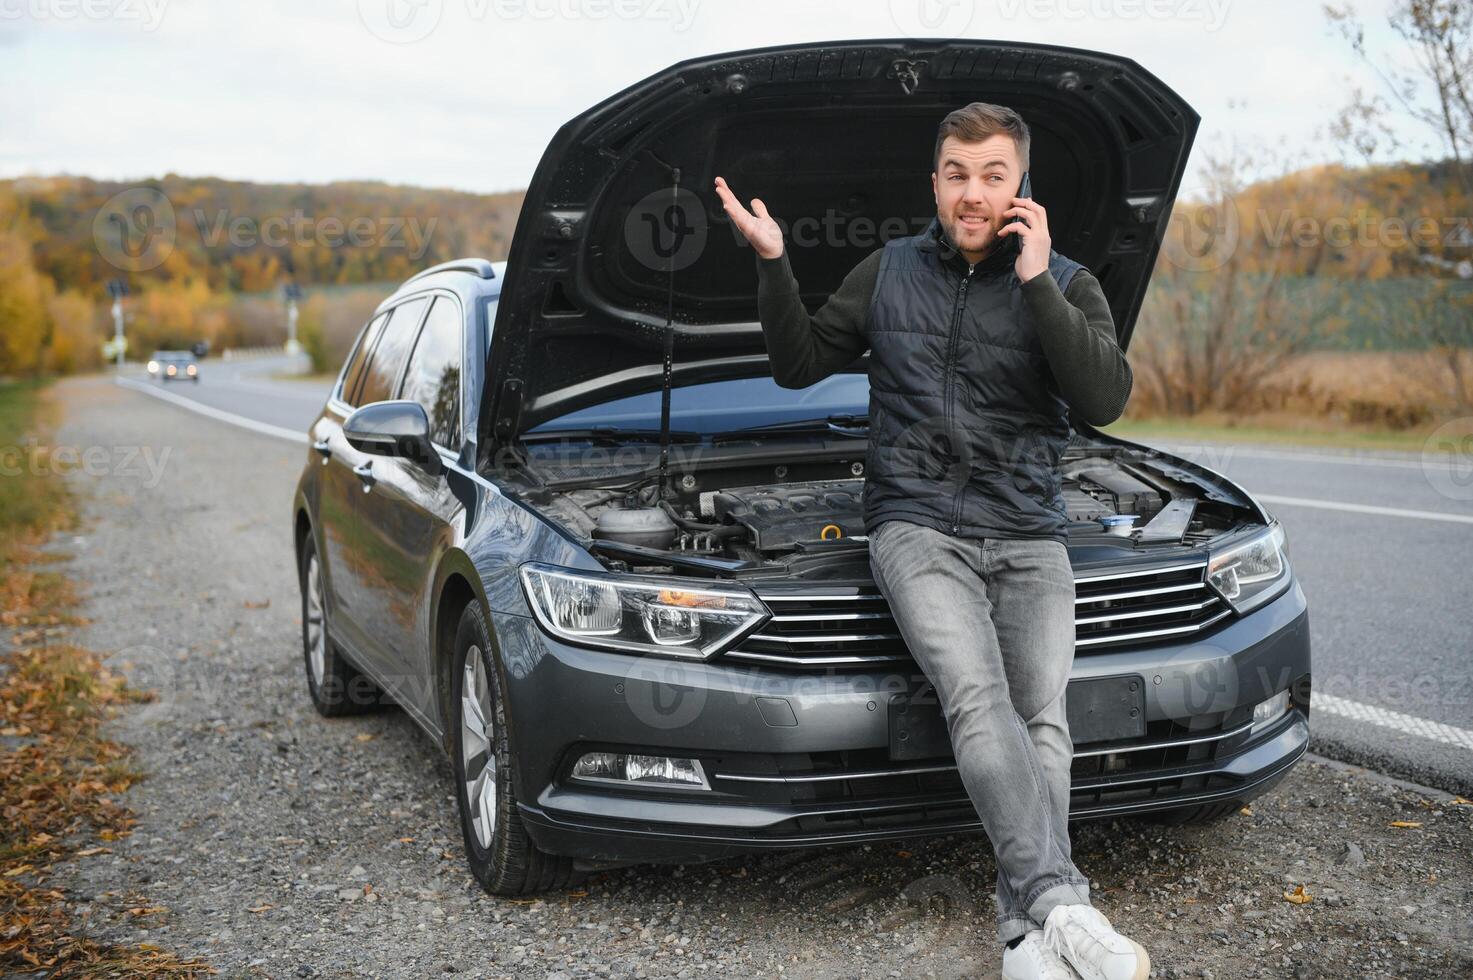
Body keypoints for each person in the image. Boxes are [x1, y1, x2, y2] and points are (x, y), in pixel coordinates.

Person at [714, 102, 1151, 980]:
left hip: (1028, 531)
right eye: (957, 173)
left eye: (993, 174)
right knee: (978, 699)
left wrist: (1033, 278)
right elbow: (797, 363)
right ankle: (1064, 904)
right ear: (935, 182)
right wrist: (772, 264)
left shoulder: (1064, 282)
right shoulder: (888, 272)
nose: (973, 191)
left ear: (1020, 185)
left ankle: (1023, 938)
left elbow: (1104, 399)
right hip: (915, 525)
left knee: (1043, 722)